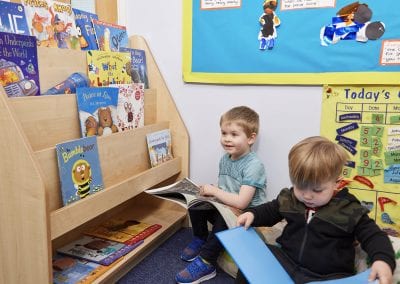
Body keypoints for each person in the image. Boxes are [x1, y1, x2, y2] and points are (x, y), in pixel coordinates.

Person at [236, 136, 396, 284]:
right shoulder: (290, 198)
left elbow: (374, 236)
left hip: (327, 276)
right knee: (251, 261)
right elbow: (271, 210)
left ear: (336, 183)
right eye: (300, 187)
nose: (307, 196)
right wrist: (253, 214)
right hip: (287, 263)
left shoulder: (349, 210)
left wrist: (382, 260)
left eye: (317, 190)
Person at [175, 106, 267, 284]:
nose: (227, 139)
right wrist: (210, 192)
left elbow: (241, 202)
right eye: (224, 133)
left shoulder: (254, 165)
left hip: (245, 215)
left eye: (234, 134)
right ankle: (201, 237)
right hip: (227, 208)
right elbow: (226, 187)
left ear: (251, 138)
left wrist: (216, 191)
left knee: (224, 219)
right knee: (197, 202)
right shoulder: (225, 159)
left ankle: (207, 261)